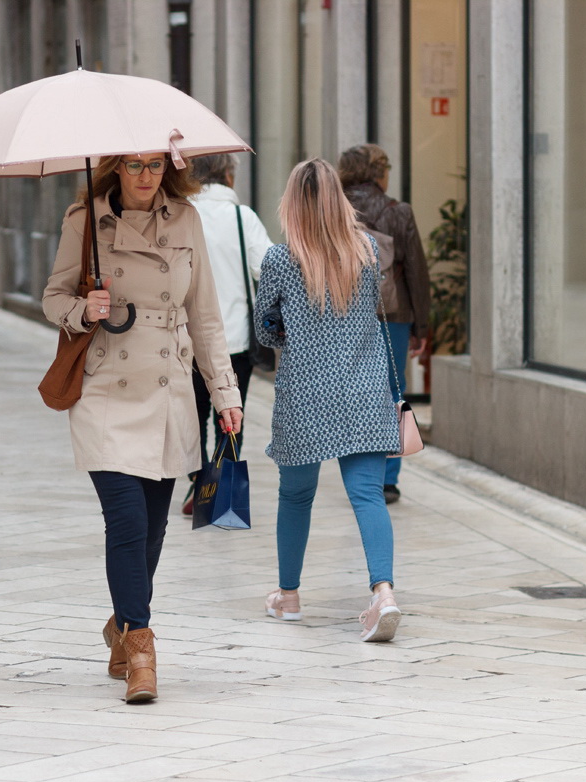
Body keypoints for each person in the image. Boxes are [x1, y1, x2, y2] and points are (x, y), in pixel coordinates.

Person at [42, 152, 243, 703]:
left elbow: (204, 316)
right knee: (127, 522)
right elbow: (52, 297)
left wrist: (224, 392)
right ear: (115, 168)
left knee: (153, 531)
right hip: (107, 390)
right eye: (133, 165)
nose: (145, 175)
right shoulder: (84, 221)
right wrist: (85, 308)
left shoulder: (187, 220)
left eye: (155, 164)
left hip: (168, 389)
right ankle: (143, 654)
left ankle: (122, 625)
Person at [256, 158, 403, 642]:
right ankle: (383, 594)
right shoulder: (365, 250)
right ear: (339, 199)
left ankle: (289, 596)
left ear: (292, 203)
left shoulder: (279, 259)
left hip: (306, 395)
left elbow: (265, 330)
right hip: (363, 389)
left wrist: (288, 324)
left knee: (296, 495)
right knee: (367, 494)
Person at [181, 154, 274, 515]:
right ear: (228, 175)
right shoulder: (242, 217)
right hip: (233, 340)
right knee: (230, 417)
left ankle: (198, 484)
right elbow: (266, 267)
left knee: (193, 417)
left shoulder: (181, 216)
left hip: (186, 339)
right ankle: (222, 499)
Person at [338, 143, 429, 505]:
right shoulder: (398, 212)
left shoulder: (333, 211)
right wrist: (422, 327)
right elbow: (417, 273)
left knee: (350, 392)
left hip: (342, 315)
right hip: (392, 315)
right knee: (393, 391)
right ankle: (387, 479)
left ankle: (357, 471)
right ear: (380, 173)